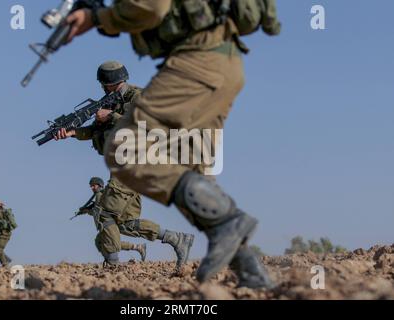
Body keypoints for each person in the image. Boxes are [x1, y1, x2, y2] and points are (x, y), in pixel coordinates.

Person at [59, 1, 279, 288]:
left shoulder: (131, 94)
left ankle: (227, 226)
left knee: (122, 151)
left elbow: (152, 8)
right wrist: (77, 132)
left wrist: (98, 18)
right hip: (224, 63)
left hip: (195, 64)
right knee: (198, 176)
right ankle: (251, 271)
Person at [55, 61, 195, 269]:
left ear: (107, 83)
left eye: (103, 84)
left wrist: (111, 115)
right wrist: (73, 132)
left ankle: (112, 266)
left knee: (103, 213)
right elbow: (95, 130)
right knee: (125, 223)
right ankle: (177, 239)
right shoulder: (110, 101)